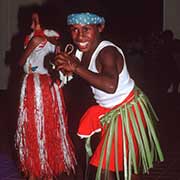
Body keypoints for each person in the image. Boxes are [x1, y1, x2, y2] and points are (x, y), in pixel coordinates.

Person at [55, 11, 164, 180]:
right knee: (120, 164)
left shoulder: (107, 52)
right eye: (74, 29)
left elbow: (110, 86)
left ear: (100, 27)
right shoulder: (81, 52)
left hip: (127, 111)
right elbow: (71, 72)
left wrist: (76, 68)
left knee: (114, 166)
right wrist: (63, 69)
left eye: (86, 29)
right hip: (110, 112)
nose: (80, 35)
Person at [15, 8, 76, 180]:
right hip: (30, 85)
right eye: (32, 21)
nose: (32, 25)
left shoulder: (52, 35)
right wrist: (32, 45)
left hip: (47, 86)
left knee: (50, 126)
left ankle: (49, 168)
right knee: (31, 127)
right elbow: (21, 62)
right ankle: (34, 168)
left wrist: (46, 40)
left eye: (35, 21)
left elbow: (57, 50)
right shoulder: (29, 38)